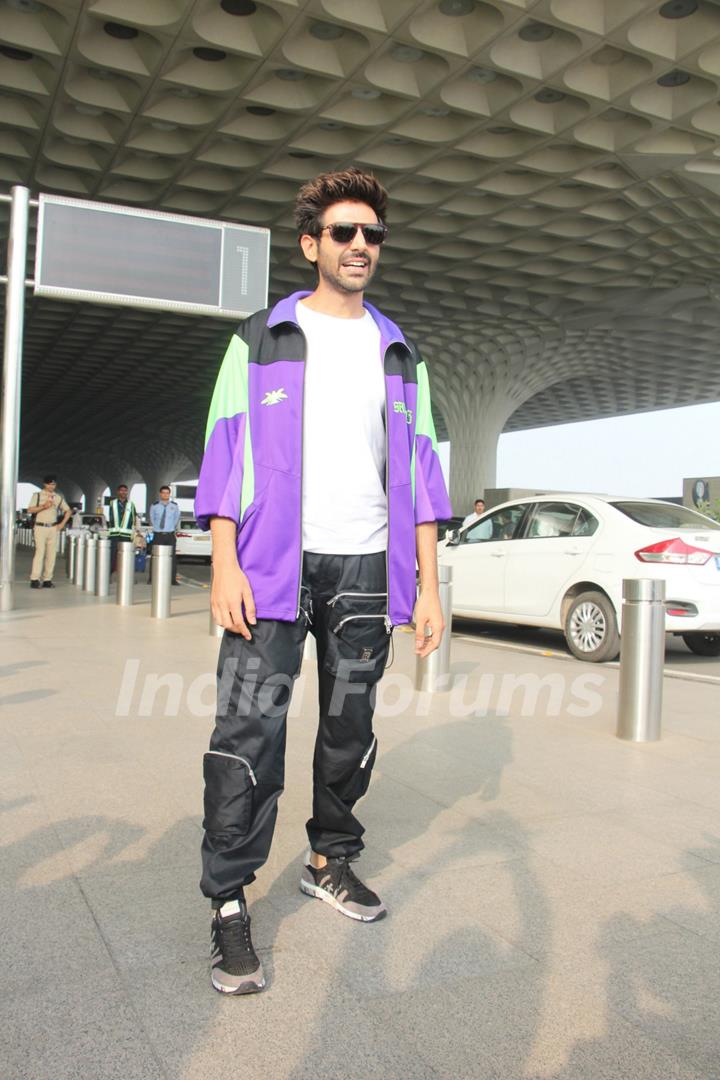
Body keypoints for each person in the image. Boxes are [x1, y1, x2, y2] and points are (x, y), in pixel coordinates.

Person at [194, 167, 452, 995]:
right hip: (270, 567)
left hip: (367, 567)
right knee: (248, 731)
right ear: (312, 245)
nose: (360, 247)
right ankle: (230, 900)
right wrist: (224, 561)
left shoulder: (401, 351)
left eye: (372, 235)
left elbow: (423, 469)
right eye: (344, 233)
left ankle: (327, 859)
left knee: (351, 727)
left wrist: (431, 585)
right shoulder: (260, 338)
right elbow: (224, 452)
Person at [27, 474, 71, 588]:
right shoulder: (37, 496)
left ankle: (47, 579)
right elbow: (30, 510)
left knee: (51, 555)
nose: (52, 486)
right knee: (40, 553)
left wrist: (62, 524)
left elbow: (68, 511)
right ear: (44, 484)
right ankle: (35, 579)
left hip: (53, 527)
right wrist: (44, 506)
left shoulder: (57, 497)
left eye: (54, 484)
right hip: (40, 527)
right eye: (50, 484)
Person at [147, 485, 180, 585]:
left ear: (169, 494)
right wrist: (158, 528)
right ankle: (152, 578)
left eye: (167, 493)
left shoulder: (174, 506)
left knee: (172, 558)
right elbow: (152, 519)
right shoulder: (154, 506)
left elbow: (176, 520)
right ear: (160, 494)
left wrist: (169, 528)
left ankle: (172, 580)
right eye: (163, 493)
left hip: (170, 535)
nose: (165, 494)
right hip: (158, 535)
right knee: (155, 556)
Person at [107, 483, 137, 572]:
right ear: (118, 492)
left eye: (125, 490)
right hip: (114, 534)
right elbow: (111, 517)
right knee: (112, 555)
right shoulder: (112, 503)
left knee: (126, 555)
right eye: (121, 490)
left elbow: (134, 519)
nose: (123, 492)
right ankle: (109, 572)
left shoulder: (131, 504)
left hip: (126, 535)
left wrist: (135, 532)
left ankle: (125, 573)